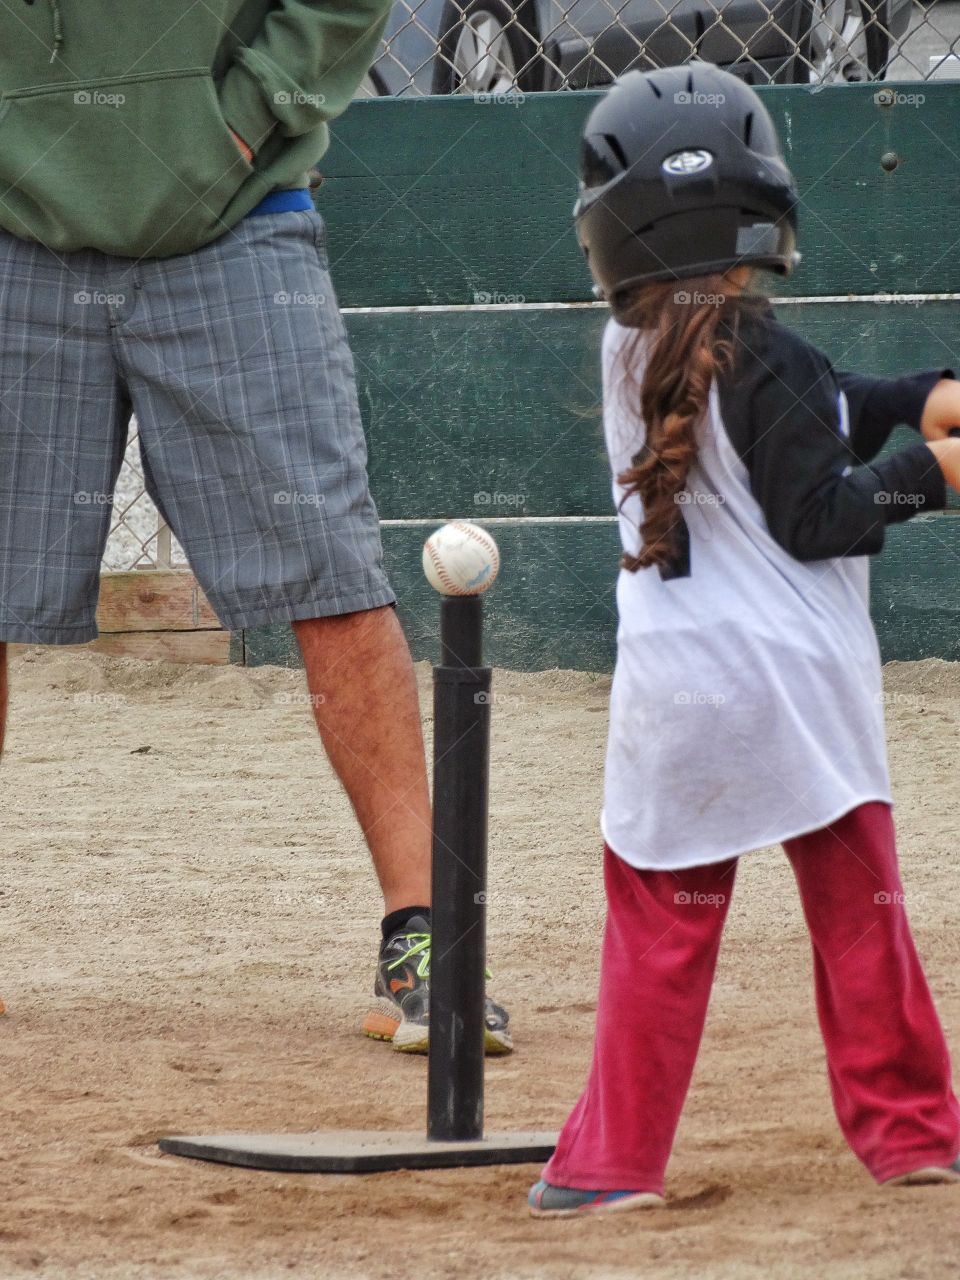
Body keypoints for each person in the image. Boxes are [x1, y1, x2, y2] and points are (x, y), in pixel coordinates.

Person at [0, 2, 510, 1054]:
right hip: (13, 235)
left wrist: (243, 117)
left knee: (333, 580)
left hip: (236, 219)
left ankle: (426, 942)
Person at [529, 62, 960, 1216]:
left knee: (659, 938)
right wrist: (931, 472)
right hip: (796, 696)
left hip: (678, 702)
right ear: (751, 209)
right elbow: (823, 513)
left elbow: (808, 401)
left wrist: (918, 395)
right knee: (861, 925)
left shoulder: (635, 353)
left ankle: (607, 1166)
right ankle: (913, 1134)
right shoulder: (755, 345)